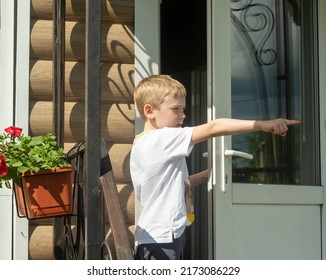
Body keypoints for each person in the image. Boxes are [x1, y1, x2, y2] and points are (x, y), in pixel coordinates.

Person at [130, 74, 300, 260]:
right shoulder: (162, 138)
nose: (183, 115)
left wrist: (212, 173)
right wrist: (262, 125)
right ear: (149, 111)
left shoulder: (142, 143)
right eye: (176, 109)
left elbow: (174, 184)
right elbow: (213, 127)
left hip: (158, 236)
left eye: (183, 108)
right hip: (161, 240)